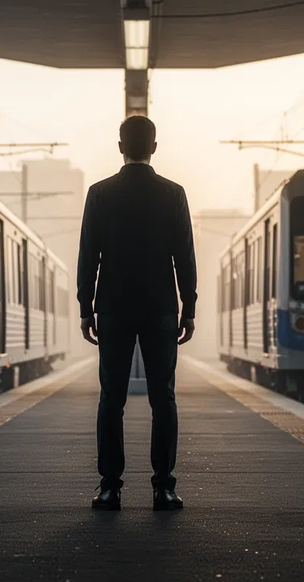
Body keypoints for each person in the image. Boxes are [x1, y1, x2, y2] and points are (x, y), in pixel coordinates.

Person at [77, 115, 197, 512]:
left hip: (112, 308)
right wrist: (189, 307)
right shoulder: (173, 193)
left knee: (112, 398)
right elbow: (185, 257)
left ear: (120, 147)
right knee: (163, 398)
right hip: (161, 308)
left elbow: (88, 256)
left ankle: (110, 487)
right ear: (155, 147)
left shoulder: (99, 194)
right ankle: (163, 488)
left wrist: (85, 307)